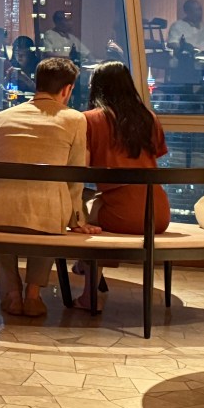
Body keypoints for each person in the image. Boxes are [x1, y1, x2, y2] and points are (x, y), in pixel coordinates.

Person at [0, 57, 99, 318]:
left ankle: (12, 294)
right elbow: (74, 176)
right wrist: (77, 218)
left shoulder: (0, 118)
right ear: (67, 89)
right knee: (47, 218)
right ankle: (33, 295)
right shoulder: (75, 120)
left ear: (37, 83)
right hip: (46, 218)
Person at [77, 61, 170, 310]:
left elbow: (80, 169)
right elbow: (155, 155)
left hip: (121, 212)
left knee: (79, 213)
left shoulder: (90, 120)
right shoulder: (148, 118)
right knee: (92, 203)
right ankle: (85, 265)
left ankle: (88, 292)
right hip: (158, 212)